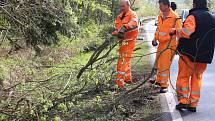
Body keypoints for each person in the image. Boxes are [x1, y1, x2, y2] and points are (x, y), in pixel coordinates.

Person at [170, 0, 215, 112]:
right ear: (206, 5)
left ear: (194, 4)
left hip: (189, 53)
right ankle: (193, 104)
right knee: (197, 78)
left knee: (184, 77)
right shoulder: (212, 18)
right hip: (204, 55)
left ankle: (184, 101)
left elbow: (187, 31)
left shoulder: (193, 16)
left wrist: (175, 31)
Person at [152, 0, 182, 93]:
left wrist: (179, 47)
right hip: (161, 44)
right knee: (159, 63)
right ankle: (159, 80)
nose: (159, 8)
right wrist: (155, 38)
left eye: (161, 6)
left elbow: (179, 32)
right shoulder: (160, 15)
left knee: (165, 65)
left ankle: (164, 85)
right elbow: (158, 28)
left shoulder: (175, 17)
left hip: (169, 45)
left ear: (167, 5)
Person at [112, 0, 139, 88]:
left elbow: (134, 23)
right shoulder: (119, 16)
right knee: (126, 61)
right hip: (122, 42)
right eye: (120, 6)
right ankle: (128, 78)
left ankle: (119, 83)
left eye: (123, 6)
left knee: (122, 62)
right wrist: (115, 33)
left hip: (129, 42)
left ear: (128, 5)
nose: (121, 8)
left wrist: (125, 27)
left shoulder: (132, 14)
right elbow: (117, 29)